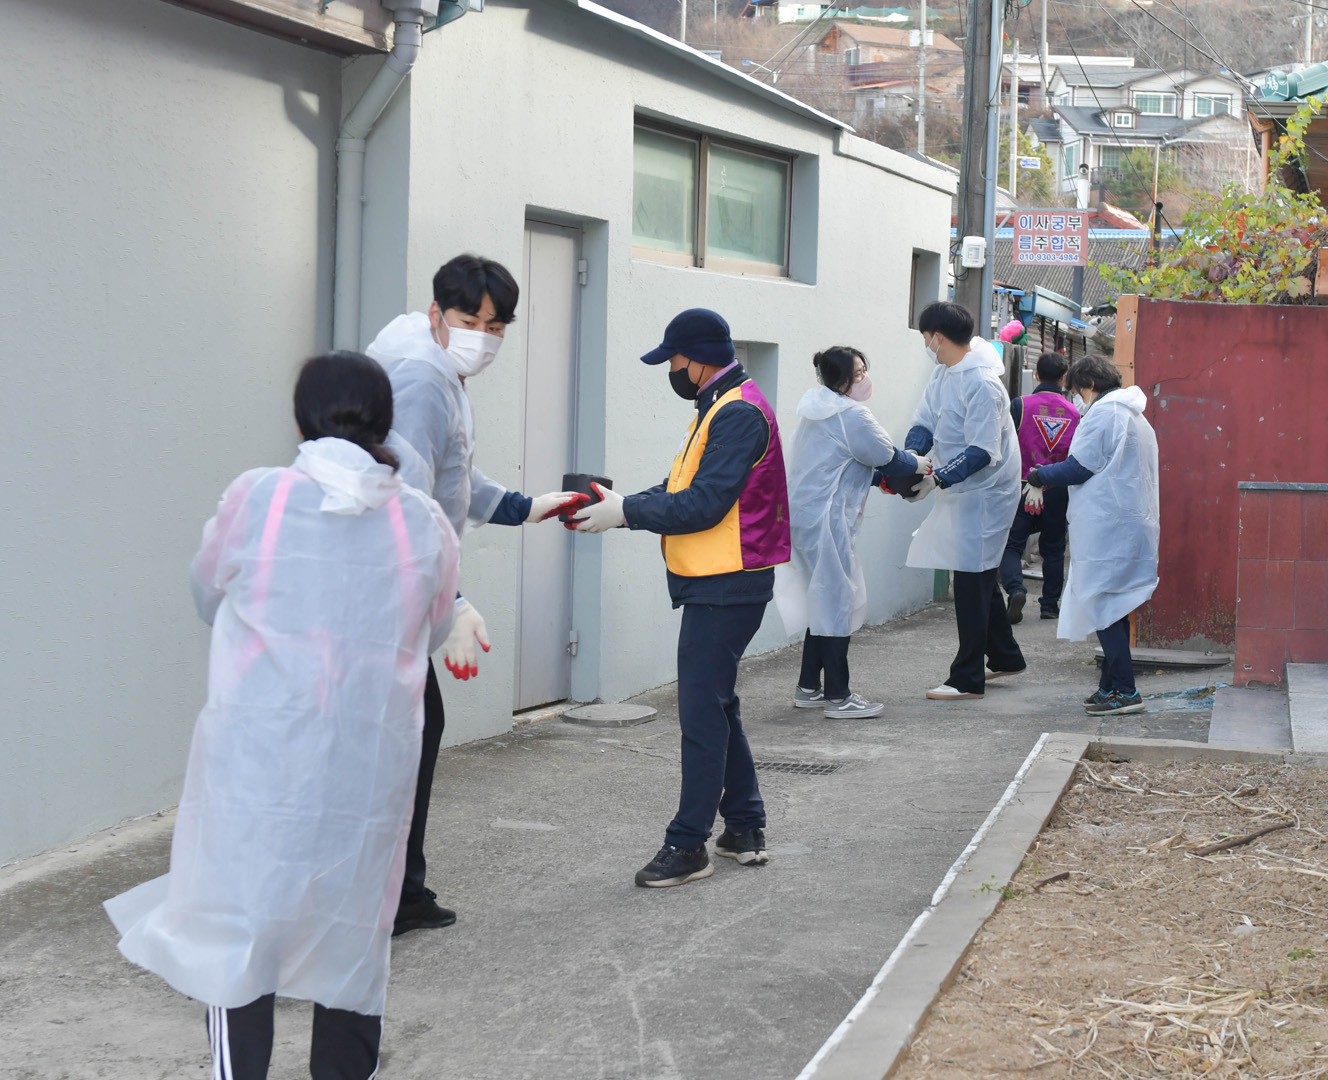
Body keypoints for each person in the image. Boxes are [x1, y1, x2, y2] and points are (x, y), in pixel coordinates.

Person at [105, 351, 461, 1080]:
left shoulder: (258, 498)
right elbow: (430, 630)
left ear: (301, 420)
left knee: (238, 932)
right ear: (384, 422)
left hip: (259, 762)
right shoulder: (422, 522)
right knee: (353, 937)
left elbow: (208, 593)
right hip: (367, 770)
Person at [365, 255, 577, 935]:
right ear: (437, 314)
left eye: (496, 326)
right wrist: (452, 603)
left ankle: (396, 892)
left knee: (409, 736)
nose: (482, 337)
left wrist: (525, 506)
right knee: (401, 741)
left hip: (397, 590)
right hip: (387, 595)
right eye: (469, 320)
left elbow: (454, 473)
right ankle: (387, 897)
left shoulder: (438, 371)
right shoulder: (422, 379)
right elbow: (408, 500)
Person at [558, 308, 790, 888]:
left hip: (726, 582)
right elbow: (681, 488)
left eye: (674, 360)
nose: (671, 370)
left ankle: (688, 846)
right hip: (720, 579)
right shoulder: (720, 405)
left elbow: (704, 505)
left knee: (701, 714)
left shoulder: (735, 413)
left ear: (697, 359)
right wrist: (619, 505)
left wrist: (627, 514)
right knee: (717, 704)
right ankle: (744, 827)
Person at [775, 347, 931, 719]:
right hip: (826, 521)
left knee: (823, 599)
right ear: (841, 380)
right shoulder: (852, 415)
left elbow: (847, 463)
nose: (865, 378)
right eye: (858, 373)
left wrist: (883, 481)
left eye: (864, 370)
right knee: (836, 601)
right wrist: (920, 464)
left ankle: (809, 687)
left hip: (806, 518)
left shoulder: (816, 408)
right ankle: (838, 696)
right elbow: (887, 456)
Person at [900, 301, 1025, 701]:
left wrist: (937, 478)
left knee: (971, 578)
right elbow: (925, 422)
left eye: (925, 337)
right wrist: (912, 460)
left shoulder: (983, 385)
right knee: (977, 572)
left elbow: (983, 451)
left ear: (937, 337)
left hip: (987, 493)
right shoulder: (943, 374)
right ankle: (1005, 655)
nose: (925, 344)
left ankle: (967, 677)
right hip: (961, 487)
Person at [1025, 354, 1159, 716]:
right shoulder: (1135, 416)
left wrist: (1039, 475)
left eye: (1078, 392)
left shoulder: (1105, 413)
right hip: (1128, 523)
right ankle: (1109, 686)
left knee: (1104, 605)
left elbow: (1079, 467)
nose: (1078, 399)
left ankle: (1125, 690)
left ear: (1090, 385)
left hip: (1108, 526)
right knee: (1112, 604)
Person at [1001, 352, 1080, 624]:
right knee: (1054, 548)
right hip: (1057, 487)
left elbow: (1005, 444)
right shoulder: (1074, 413)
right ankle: (1049, 605)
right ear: (1064, 378)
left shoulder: (1020, 405)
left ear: (1036, 375)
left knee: (1011, 545)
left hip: (1022, 486)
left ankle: (1015, 589)